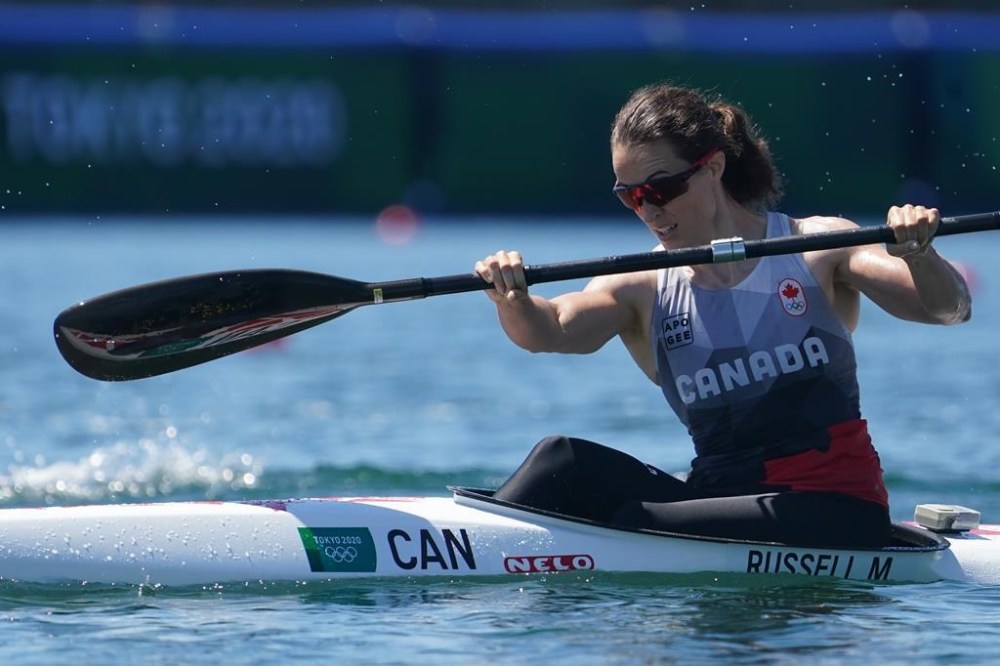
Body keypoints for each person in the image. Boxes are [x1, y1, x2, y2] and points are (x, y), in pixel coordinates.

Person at [473, 83, 972, 548]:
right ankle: (475, 543)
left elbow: (948, 308)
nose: (647, 211)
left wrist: (917, 253)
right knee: (562, 460)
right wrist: (511, 296)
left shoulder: (816, 247)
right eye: (630, 196)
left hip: (836, 508)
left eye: (660, 189)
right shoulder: (642, 288)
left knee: (632, 522)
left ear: (712, 168)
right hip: (717, 497)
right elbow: (550, 329)